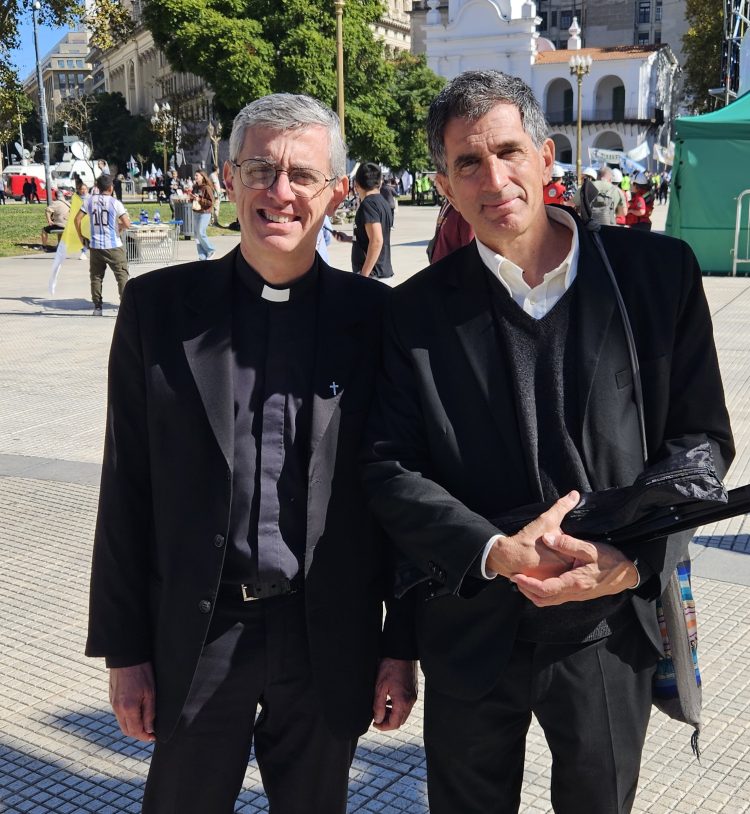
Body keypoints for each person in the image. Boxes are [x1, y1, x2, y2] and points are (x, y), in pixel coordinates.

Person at [363, 69, 734, 814]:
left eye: (508, 151)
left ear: (545, 155)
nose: (493, 178)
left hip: (604, 623)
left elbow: (699, 444)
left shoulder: (653, 280)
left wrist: (630, 564)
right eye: (468, 162)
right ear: (443, 183)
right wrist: (493, 550)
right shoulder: (415, 314)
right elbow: (388, 467)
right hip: (471, 624)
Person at [85, 92, 417, 814]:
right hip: (201, 632)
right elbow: (127, 485)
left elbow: (397, 492)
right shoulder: (158, 310)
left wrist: (402, 645)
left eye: (302, 175)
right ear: (228, 179)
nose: (280, 191)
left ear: (335, 193)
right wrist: (124, 651)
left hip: (327, 632)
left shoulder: (377, 320)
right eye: (260, 168)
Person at [74, 173, 131, 316]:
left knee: (96, 277)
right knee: (121, 275)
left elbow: (77, 219)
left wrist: (81, 237)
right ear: (111, 187)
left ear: (97, 187)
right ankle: (125, 307)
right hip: (113, 245)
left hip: (95, 245)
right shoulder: (115, 203)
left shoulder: (89, 201)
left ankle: (97, 307)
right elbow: (127, 223)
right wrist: (120, 226)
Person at [334, 162, 394, 279]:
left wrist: (364, 275)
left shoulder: (368, 204)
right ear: (380, 182)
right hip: (381, 273)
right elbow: (371, 237)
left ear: (356, 184)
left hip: (373, 276)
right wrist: (349, 239)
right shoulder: (383, 203)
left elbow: (376, 240)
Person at [426, 196, 474, 263]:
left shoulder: (463, 210)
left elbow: (469, 251)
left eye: (439, 184)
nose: (435, 185)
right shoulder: (447, 203)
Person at [189, 169, 216, 260]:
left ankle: (210, 249)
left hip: (205, 213)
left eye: (197, 175)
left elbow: (211, 202)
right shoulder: (195, 187)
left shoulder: (206, 188)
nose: (195, 177)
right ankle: (202, 256)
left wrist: (200, 200)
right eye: (195, 175)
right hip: (196, 212)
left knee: (201, 232)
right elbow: (194, 199)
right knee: (196, 235)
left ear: (202, 176)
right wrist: (191, 198)